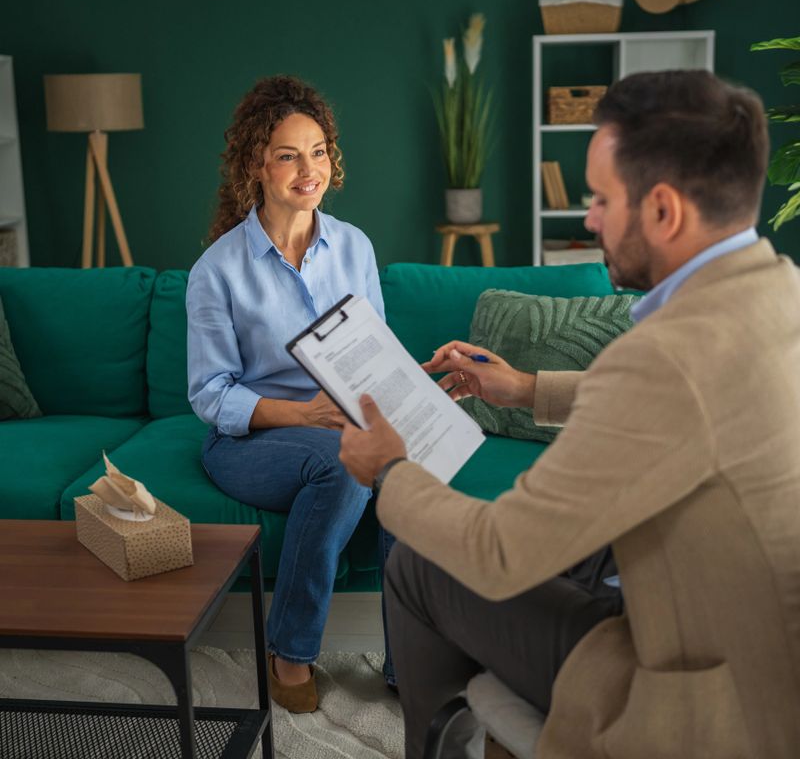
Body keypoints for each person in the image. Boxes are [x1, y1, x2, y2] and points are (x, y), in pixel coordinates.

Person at [339, 69, 800, 758]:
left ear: (664, 210)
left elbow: (498, 555)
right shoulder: (779, 292)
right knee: (566, 554)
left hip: (704, 701)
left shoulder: (666, 356)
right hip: (753, 643)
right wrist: (526, 389)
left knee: (417, 564)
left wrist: (391, 472)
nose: (589, 219)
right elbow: (687, 409)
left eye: (602, 199)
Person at [187, 75, 392, 714]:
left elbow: (373, 352)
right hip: (254, 437)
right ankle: (291, 652)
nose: (310, 170)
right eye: (288, 154)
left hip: (344, 422)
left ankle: (414, 661)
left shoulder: (354, 246)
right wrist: (304, 413)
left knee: (406, 468)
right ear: (257, 164)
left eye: (319, 152)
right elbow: (210, 393)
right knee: (342, 467)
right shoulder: (217, 269)